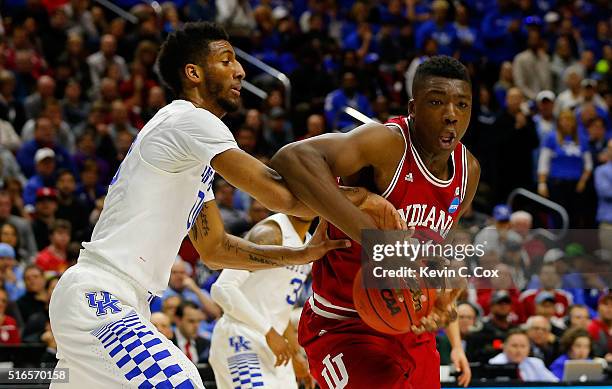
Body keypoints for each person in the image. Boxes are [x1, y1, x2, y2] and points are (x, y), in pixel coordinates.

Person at [49, 22, 397, 389]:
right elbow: (282, 197)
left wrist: (298, 255)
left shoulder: (187, 156)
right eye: (226, 60)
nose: (240, 70)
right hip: (100, 296)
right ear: (194, 73)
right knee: (183, 382)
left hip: (125, 303)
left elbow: (215, 249)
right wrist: (361, 197)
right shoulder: (190, 119)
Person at [271, 56, 480, 388]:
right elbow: (291, 158)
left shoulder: (468, 172)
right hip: (343, 322)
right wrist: (373, 233)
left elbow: (439, 248)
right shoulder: (385, 143)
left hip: (409, 323)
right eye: (437, 102)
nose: (451, 114)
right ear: (414, 107)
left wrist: (446, 293)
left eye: (462, 104)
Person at [209, 213, 315, 389]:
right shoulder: (269, 234)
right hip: (241, 337)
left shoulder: (309, 242)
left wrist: (296, 354)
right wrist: (269, 332)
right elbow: (222, 289)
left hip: (276, 345)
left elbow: (280, 308)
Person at [489, 329, 558, 382]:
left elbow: (555, 383)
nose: (519, 350)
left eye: (523, 346)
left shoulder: (536, 363)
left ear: (529, 348)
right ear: (504, 347)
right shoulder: (495, 364)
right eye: (514, 346)